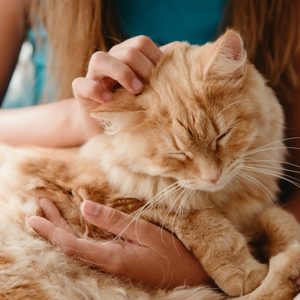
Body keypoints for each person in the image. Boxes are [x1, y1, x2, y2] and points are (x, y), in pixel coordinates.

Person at [1, 0, 300, 289]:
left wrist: (196, 266)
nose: (212, 174)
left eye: (222, 138)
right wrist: (81, 120)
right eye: (180, 155)